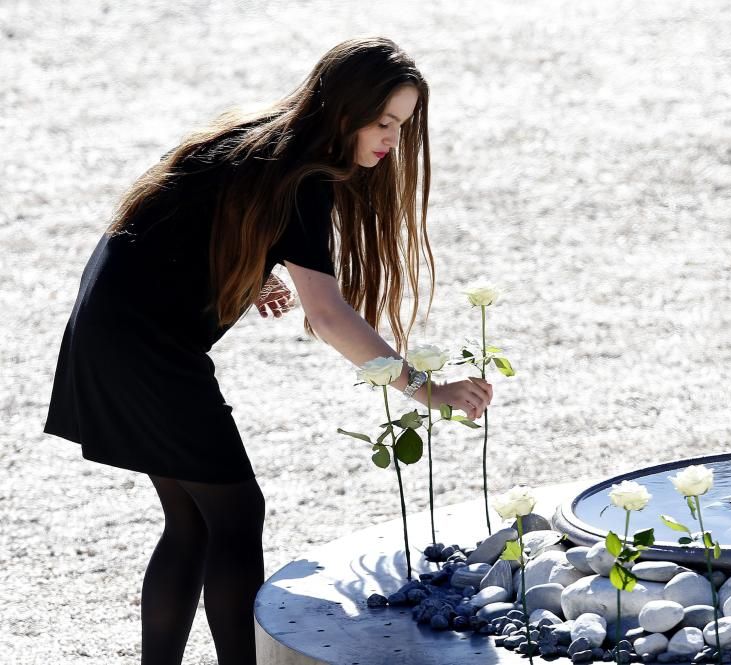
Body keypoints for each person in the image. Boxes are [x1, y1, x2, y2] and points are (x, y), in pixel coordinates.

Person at [43, 37, 493, 665]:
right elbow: (330, 317)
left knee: (194, 521)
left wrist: (252, 269)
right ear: (346, 112)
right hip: (149, 347)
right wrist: (427, 388)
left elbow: (182, 223)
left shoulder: (261, 141)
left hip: (107, 326)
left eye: (403, 125)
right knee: (235, 513)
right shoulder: (304, 177)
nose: (393, 140)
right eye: (384, 121)